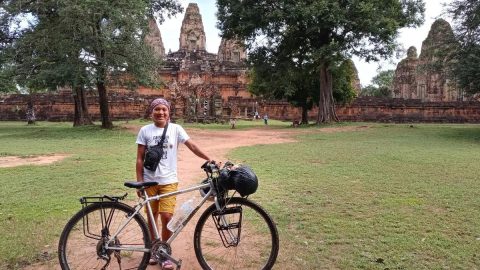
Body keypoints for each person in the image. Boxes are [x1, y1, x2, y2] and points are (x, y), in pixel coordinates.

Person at [136, 98, 212, 268]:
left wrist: (209, 158)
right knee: (151, 218)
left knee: (167, 216)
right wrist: (140, 181)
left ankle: (164, 252)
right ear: (151, 112)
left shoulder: (176, 129)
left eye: (164, 109)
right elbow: (140, 158)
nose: (160, 112)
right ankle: (154, 250)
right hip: (149, 181)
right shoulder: (145, 130)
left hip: (169, 180)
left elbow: (191, 145)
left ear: (169, 112)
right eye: (157, 109)